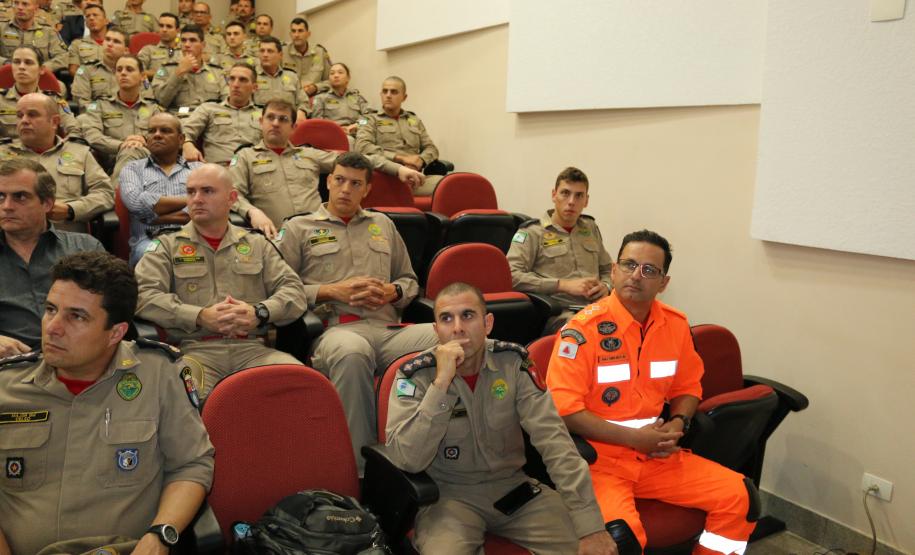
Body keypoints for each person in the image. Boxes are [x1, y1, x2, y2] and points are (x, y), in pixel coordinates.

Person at [546, 230, 757, 554]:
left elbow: (687, 387)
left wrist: (679, 424)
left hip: (656, 455)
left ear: (663, 282)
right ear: (613, 271)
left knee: (741, 496)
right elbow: (565, 411)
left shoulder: (674, 325)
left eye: (649, 270)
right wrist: (633, 439)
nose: (636, 275)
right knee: (620, 539)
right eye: (629, 265)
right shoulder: (581, 332)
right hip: (599, 462)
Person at [0, 251, 214, 555]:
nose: (52, 327)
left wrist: (160, 536)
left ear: (116, 333)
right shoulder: (7, 385)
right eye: (50, 309)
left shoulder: (159, 374)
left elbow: (191, 465)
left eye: (76, 316)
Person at [385, 282, 617, 555]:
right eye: (447, 319)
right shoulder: (415, 375)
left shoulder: (513, 363)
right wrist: (441, 384)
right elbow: (408, 459)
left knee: (588, 547)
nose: (458, 327)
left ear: (488, 323)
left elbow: (556, 443)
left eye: (468, 315)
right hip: (449, 498)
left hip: (514, 488)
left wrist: (590, 526)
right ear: (437, 331)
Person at [275, 151, 439, 473]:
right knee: (353, 353)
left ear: (366, 190)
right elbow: (279, 293)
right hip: (336, 331)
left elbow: (409, 281)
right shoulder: (299, 228)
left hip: (388, 328)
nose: (345, 189)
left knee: (450, 338)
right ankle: (362, 471)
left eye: (355, 183)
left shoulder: (383, 225)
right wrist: (331, 290)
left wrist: (395, 291)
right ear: (328, 182)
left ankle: (436, 453)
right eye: (339, 180)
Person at [135, 163, 307, 396]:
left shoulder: (256, 244)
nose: (196, 199)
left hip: (253, 350)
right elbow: (143, 296)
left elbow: (294, 291)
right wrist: (199, 316)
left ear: (232, 198)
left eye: (207, 191)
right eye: (190, 192)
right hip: (195, 351)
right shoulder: (166, 246)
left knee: (299, 385)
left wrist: (260, 313)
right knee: (185, 393)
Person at [229, 98, 423, 236]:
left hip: (321, 235)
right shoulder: (245, 157)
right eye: (270, 118)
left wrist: (399, 169)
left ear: (294, 127)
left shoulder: (309, 155)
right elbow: (233, 194)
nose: (276, 123)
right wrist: (253, 212)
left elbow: (358, 159)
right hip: (276, 236)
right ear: (261, 122)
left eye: (283, 119)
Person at [0, 158, 103, 356]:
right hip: (11, 366)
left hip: (81, 362)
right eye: (0, 197)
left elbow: (113, 310)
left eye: (20, 197)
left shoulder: (85, 248)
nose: (7, 206)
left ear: (47, 203)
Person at [507, 167, 613, 334]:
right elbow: (511, 276)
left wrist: (606, 286)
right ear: (554, 195)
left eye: (579, 195)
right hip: (559, 313)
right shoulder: (532, 232)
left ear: (586, 200)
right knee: (591, 332)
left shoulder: (590, 227)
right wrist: (562, 285)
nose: (571, 201)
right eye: (565, 193)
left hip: (599, 307)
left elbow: (607, 269)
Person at [0, 92, 112, 233]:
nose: (24, 120)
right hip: (8, 241)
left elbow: (105, 193)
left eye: (32, 115)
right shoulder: (2, 154)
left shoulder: (79, 153)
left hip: (66, 242)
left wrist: (71, 209)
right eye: (20, 115)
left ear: (54, 122)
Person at [119, 113, 200, 266]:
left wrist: (151, 218)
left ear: (181, 139)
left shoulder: (199, 170)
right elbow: (136, 204)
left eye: (165, 130)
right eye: (152, 131)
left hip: (195, 237)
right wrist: (191, 200)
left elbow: (210, 207)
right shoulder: (132, 169)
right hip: (149, 241)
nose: (157, 135)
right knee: (152, 255)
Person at [355, 76, 444, 196]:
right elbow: (362, 147)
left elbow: (431, 148)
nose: (388, 95)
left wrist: (420, 160)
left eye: (394, 92)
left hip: (415, 178)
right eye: (385, 91)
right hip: (385, 177)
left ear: (404, 97)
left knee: (454, 184)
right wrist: (400, 158)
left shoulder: (414, 120)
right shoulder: (367, 119)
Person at [78, 54, 163, 176]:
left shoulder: (153, 108)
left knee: (132, 152)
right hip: (109, 164)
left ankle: (115, 193)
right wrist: (121, 145)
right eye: (119, 70)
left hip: (148, 164)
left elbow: (162, 138)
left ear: (143, 76)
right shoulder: (100, 105)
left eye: (129, 69)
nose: (123, 73)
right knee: (129, 151)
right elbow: (92, 136)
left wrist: (144, 140)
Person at [182, 62, 262, 166]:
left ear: (254, 87)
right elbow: (184, 131)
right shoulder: (208, 108)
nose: (236, 84)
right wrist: (187, 144)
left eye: (243, 80)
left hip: (253, 169)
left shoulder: (263, 114)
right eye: (232, 79)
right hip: (218, 169)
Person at [0, 46, 79, 140]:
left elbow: (74, 130)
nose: (21, 67)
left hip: (47, 153)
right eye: (16, 62)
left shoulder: (54, 100)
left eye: (28, 62)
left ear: (41, 69)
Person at [151, 24, 226, 117]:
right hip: (179, 119)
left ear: (203, 45)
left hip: (210, 120)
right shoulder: (166, 69)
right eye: (183, 40)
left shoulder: (216, 72)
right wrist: (178, 73)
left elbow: (227, 102)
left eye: (193, 40)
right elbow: (161, 102)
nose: (187, 44)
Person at [310, 62, 372, 146]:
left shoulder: (357, 98)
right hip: (332, 136)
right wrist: (336, 130)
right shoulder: (321, 98)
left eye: (340, 72)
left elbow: (369, 118)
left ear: (348, 78)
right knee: (349, 141)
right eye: (332, 73)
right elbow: (317, 125)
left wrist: (355, 125)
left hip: (357, 134)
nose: (336, 75)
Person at [71, 27, 132, 111]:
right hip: (96, 118)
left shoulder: (135, 71)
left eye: (116, 41)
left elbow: (146, 100)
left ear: (126, 50)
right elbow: (82, 102)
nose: (110, 44)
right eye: (107, 39)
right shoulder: (86, 70)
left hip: (128, 118)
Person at [0, 0, 66, 70]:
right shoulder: (2, 28)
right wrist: (6, 63)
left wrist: (41, 68)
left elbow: (63, 56)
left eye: (25, 4)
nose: (19, 7)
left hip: (40, 77)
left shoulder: (48, 31)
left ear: (36, 8)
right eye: (16, 3)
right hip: (6, 75)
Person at [253, 36, 306, 119]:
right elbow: (246, 106)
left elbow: (303, 101)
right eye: (262, 51)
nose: (265, 55)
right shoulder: (251, 76)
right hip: (260, 122)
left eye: (270, 51)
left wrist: (302, 112)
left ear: (280, 55)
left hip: (288, 123)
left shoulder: (291, 76)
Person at [283, 16, 330, 97]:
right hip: (290, 97)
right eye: (293, 31)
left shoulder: (320, 52)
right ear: (290, 34)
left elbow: (330, 81)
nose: (296, 35)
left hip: (315, 97)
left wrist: (316, 87)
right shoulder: (282, 52)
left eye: (300, 31)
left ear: (308, 34)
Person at [137, 12, 181, 79]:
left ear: (177, 31)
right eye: (161, 26)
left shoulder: (185, 50)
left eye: (169, 26)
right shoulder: (148, 50)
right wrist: (162, 73)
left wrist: (153, 73)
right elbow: (138, 73)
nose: (164, 30)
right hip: (155, 88)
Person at [65, 1, 106, 74]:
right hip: (85, 83)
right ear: (85, 23)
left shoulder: (114, 42)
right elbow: (73, 70)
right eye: (87, 16)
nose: (91, 18)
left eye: (95, 15)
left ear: (106, 21)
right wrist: (86, 76)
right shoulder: (77, 44)